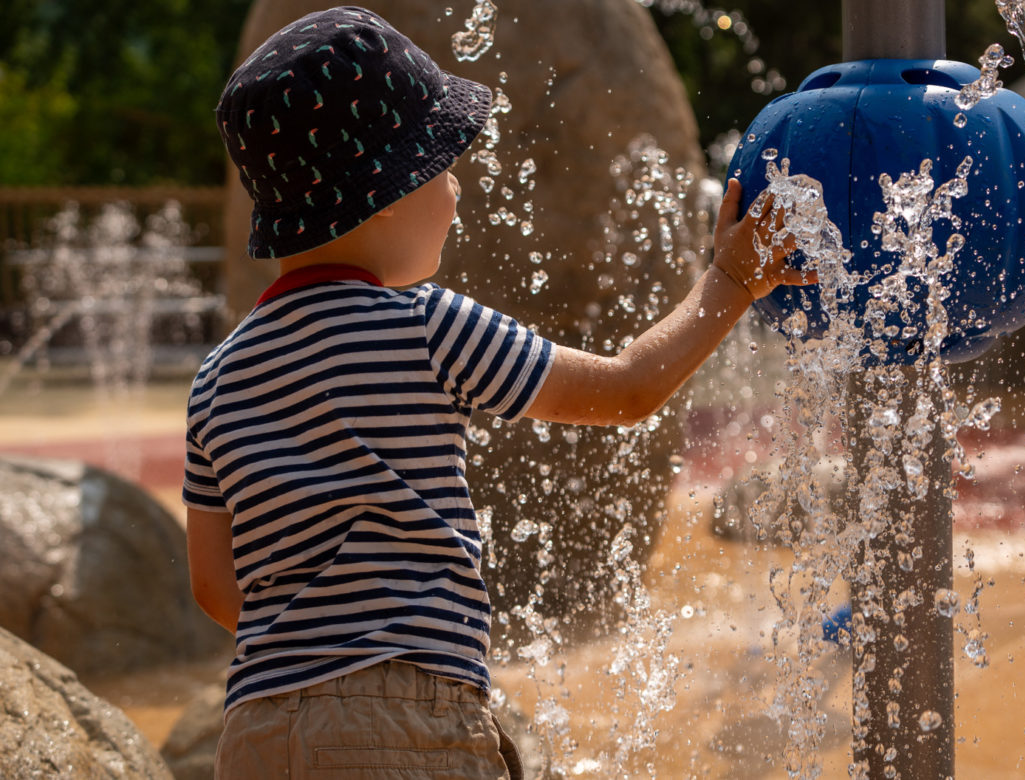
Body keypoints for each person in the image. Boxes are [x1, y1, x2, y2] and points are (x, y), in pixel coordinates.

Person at [184, 6, 813, 779]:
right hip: (407, 723)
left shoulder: (216, 378)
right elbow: (627, 391)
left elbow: (216, 586)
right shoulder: (425, 327)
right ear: (386, 190)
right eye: (442, 165)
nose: (454, 194)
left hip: (255, 731)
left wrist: (314, 659)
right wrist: (732, 280)